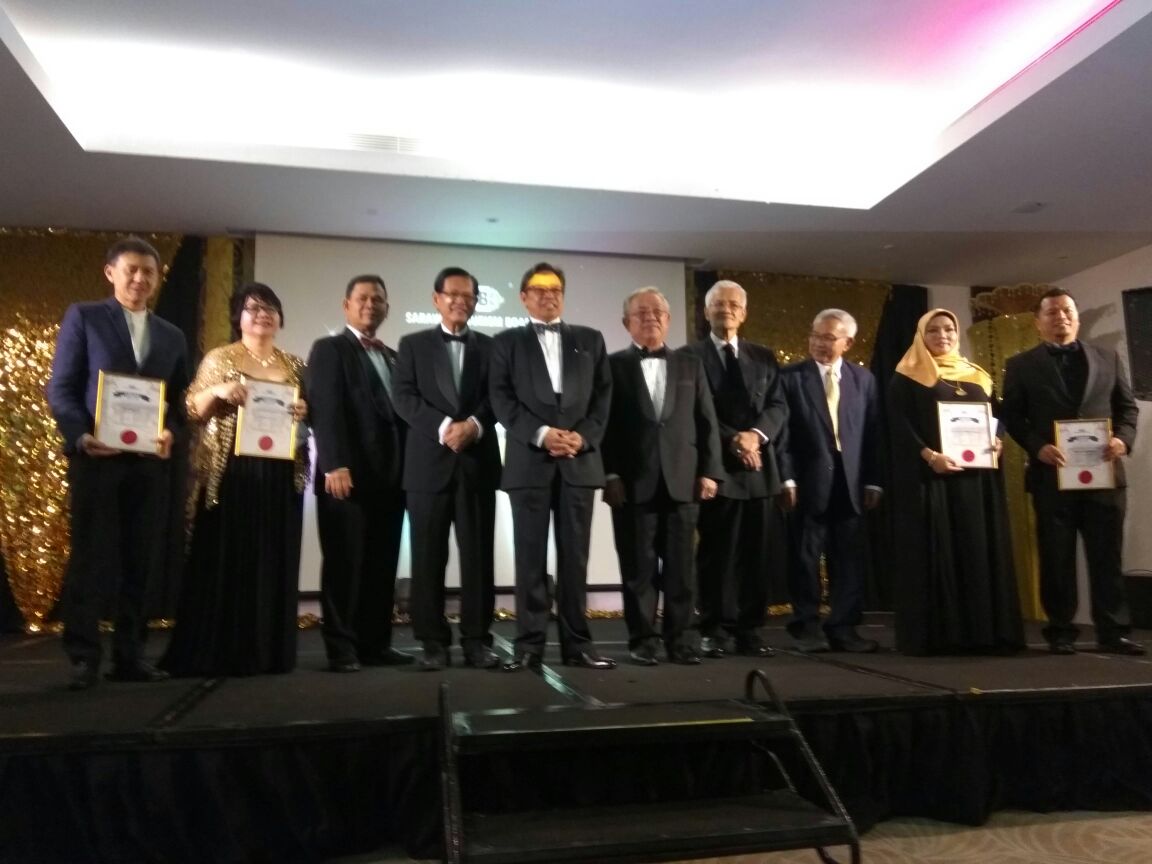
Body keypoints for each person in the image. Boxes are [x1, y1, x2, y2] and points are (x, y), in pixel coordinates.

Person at [47, 236, 189, 690]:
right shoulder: (85, 317)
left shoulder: (172, 335)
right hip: (98, 459)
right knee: (93, 558)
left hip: (149, 464)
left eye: (149, 271)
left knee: (140, 562)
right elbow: (62, 388)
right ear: (111, 272)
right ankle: (84, 657)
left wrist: (172, 431)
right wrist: (82, 436)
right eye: (131, 269)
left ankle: (129, 656)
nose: (140, 278)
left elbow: (180, 402)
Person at [161, 283, 308, 676]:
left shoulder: (295, 364)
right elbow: (191, 407)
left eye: (270, 308)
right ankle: (220, 651)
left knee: (271, 559)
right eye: (253, 308)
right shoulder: (220, 357)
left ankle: (267, 653)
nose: (262, 315)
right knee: (228, 557)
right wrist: (221, 390)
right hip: (231, 471)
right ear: (238, 317)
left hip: (280, 472)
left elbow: (307, 417)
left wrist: (303, 409)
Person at [1001, 288, 1142, 655]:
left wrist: (1123, 441)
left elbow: (1127, 409)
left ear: (1076, 318)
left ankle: (1114, 632)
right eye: (1051, 313)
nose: (1059, 317)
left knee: (1107, 556)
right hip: (1052, 477)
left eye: (1066, 311)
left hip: (1105, 476)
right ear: (1038, 322)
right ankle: (1061, 631)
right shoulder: (1020, 365)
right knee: (1056, 557)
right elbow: (1013, 416)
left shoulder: (1108, 357)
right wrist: (1037, 447)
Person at [489, 262, 616, 671]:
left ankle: (579, 646)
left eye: (556, 288)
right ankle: (528, 648)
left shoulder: (591, 339)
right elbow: (501, 398)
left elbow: (603, 398)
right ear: (523, 296)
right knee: (529, 559)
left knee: (575, 559)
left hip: (579, 463)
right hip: (530, 462)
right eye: (539, 289)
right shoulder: (505, 342)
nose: (549, 295)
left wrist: (584, 437)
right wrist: (541, 433)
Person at [887, 308, 1023, 656]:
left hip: (978, 483)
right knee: (940, 553)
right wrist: (930, 456)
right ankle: (942, 636)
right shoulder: (906, 376)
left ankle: (984, 633)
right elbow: (899, 427)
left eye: (948, 329)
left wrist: (997, 438)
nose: (942, 336)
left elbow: (996, 417)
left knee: (979, 550)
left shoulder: (978, 375)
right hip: (933, 481)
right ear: (921, 335)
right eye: (933, 330)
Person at [603, 288, 723, 665]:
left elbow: (707, 422)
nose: (651, 317)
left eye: (658, 312)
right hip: (632, 483)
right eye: (641, 313)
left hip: (683, 481)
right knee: (637, 570)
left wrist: (710, 471)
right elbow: (602, 426)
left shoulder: (690, 365)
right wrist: (609, 474)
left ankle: (683, 641)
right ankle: (643, 641)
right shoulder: (610, 366)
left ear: (669, 321)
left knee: (682, 570)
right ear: (626, 323)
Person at [393, 267, 501, 670]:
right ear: (436, 298)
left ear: (476, 302)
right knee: (427, 557)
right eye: (452, 294)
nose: (461, 301)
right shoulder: (413, 344)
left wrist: (473, 425)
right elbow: (403, 397)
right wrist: (444, 428)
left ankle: (477, 641)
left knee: (477, 558)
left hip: (477, 465)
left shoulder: (493, 347)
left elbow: (499, 397)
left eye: (468, 296)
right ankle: (432, 643)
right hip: (427, 469)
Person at [306, 275, 413, 672]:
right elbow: (325, 408)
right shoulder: (330, 349)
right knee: (344, 565)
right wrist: (334, 463)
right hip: (344, 478)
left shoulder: (393, 356)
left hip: (390, 479)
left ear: (387, 307)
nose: (371, 305)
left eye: (378, 299)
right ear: (346, 305)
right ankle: (342, 649)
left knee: (381, 567)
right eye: (363, 298)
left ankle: (375, 645)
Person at [685, 280, 787, 658]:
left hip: (760, 468)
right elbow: (698, 411)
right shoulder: (689, 356)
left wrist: (756, 437)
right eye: (717, 304)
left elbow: (778, 405)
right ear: (705, 311)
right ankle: (713, 628)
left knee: (755, 554)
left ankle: (750, 630)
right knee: (716, 554)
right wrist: (735, 440)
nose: (725, 309)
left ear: (743, 313)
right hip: (716, 468)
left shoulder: (763, 356)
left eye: (733, 305)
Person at [778, 309, 883, 653]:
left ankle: (844, 627)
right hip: (806, 482)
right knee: (805, 556)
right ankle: (806, 626)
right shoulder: (790, 377)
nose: (820, 343)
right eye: (815, 335)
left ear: (848, 342)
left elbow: (872, 434)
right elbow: (783, 436)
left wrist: (874, 481)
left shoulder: (863, 380)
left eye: (828, 337)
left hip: (851, 484)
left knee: (849, 558)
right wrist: (787, 478)